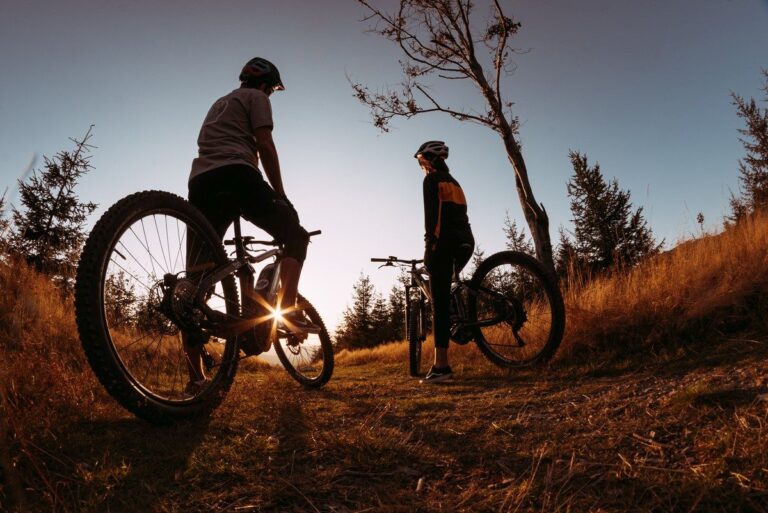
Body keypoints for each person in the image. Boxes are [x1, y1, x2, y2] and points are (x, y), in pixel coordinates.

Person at [183, 57, 319, 395]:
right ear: (266, 84)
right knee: (295, 236)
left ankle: (196, 378)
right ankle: (286, 311)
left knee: (195, 281)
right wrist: (281, 195)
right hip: (238, 174)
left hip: (201, 182)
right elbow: (264, 144)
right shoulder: (256, 99)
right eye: (272, 89)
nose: (271, 94)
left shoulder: (220, 102)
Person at [416, 140, 475, 383]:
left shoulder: (431, 180)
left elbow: (433, 218)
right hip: (466, 241)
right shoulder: (455, 182)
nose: (422, 166)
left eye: (422, 161)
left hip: (444, 242)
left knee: (438, 301)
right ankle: (461, 322)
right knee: (447, 290)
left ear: (428, 159)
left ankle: (441, 367)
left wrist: (429, 247)